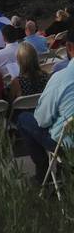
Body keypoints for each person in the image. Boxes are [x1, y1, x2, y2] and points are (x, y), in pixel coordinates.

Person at [17, 38, 74, 180]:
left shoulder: (61, 78)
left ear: (69, 47)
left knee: (23, 118)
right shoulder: (50, 77)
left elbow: (42, 121)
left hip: (67, 146)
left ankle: (42, 173)